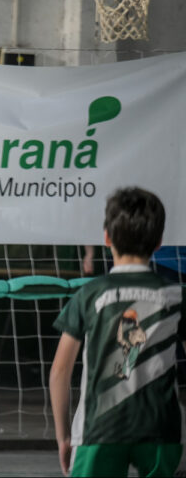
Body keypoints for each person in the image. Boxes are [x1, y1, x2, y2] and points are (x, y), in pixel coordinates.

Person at [50, 187, 184, 477]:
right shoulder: (176, 295)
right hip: (161, 426)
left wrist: (63, 437)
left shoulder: (90, 295)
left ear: (107, 238)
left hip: (100, 427)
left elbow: (60, 371)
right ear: (159, 242)